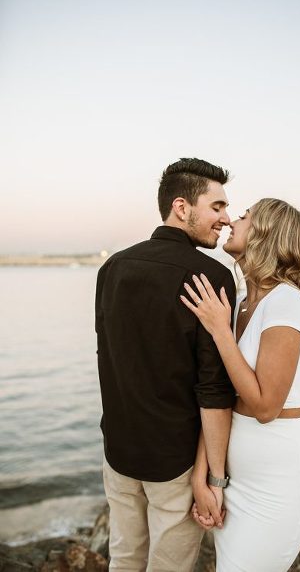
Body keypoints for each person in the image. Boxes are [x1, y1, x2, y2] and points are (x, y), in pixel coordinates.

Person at [95, 158, 236, 571]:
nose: (225, 219)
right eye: (217, 207)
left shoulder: (112, 268)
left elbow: (108, 356)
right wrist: (214, 478)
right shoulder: (211, 276)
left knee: (123, 558)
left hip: (118, 449)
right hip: (174, 462)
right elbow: (214, 388)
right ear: (181, 206)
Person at [180, 197, 300, 571]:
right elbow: (216, 397)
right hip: (234, 481)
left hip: (277, 486)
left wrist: (219, 331)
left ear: (266, 233)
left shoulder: (287, 302)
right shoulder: (240, 302)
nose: (232, 221)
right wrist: (206, 479)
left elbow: (264, 407)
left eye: (244, 216)